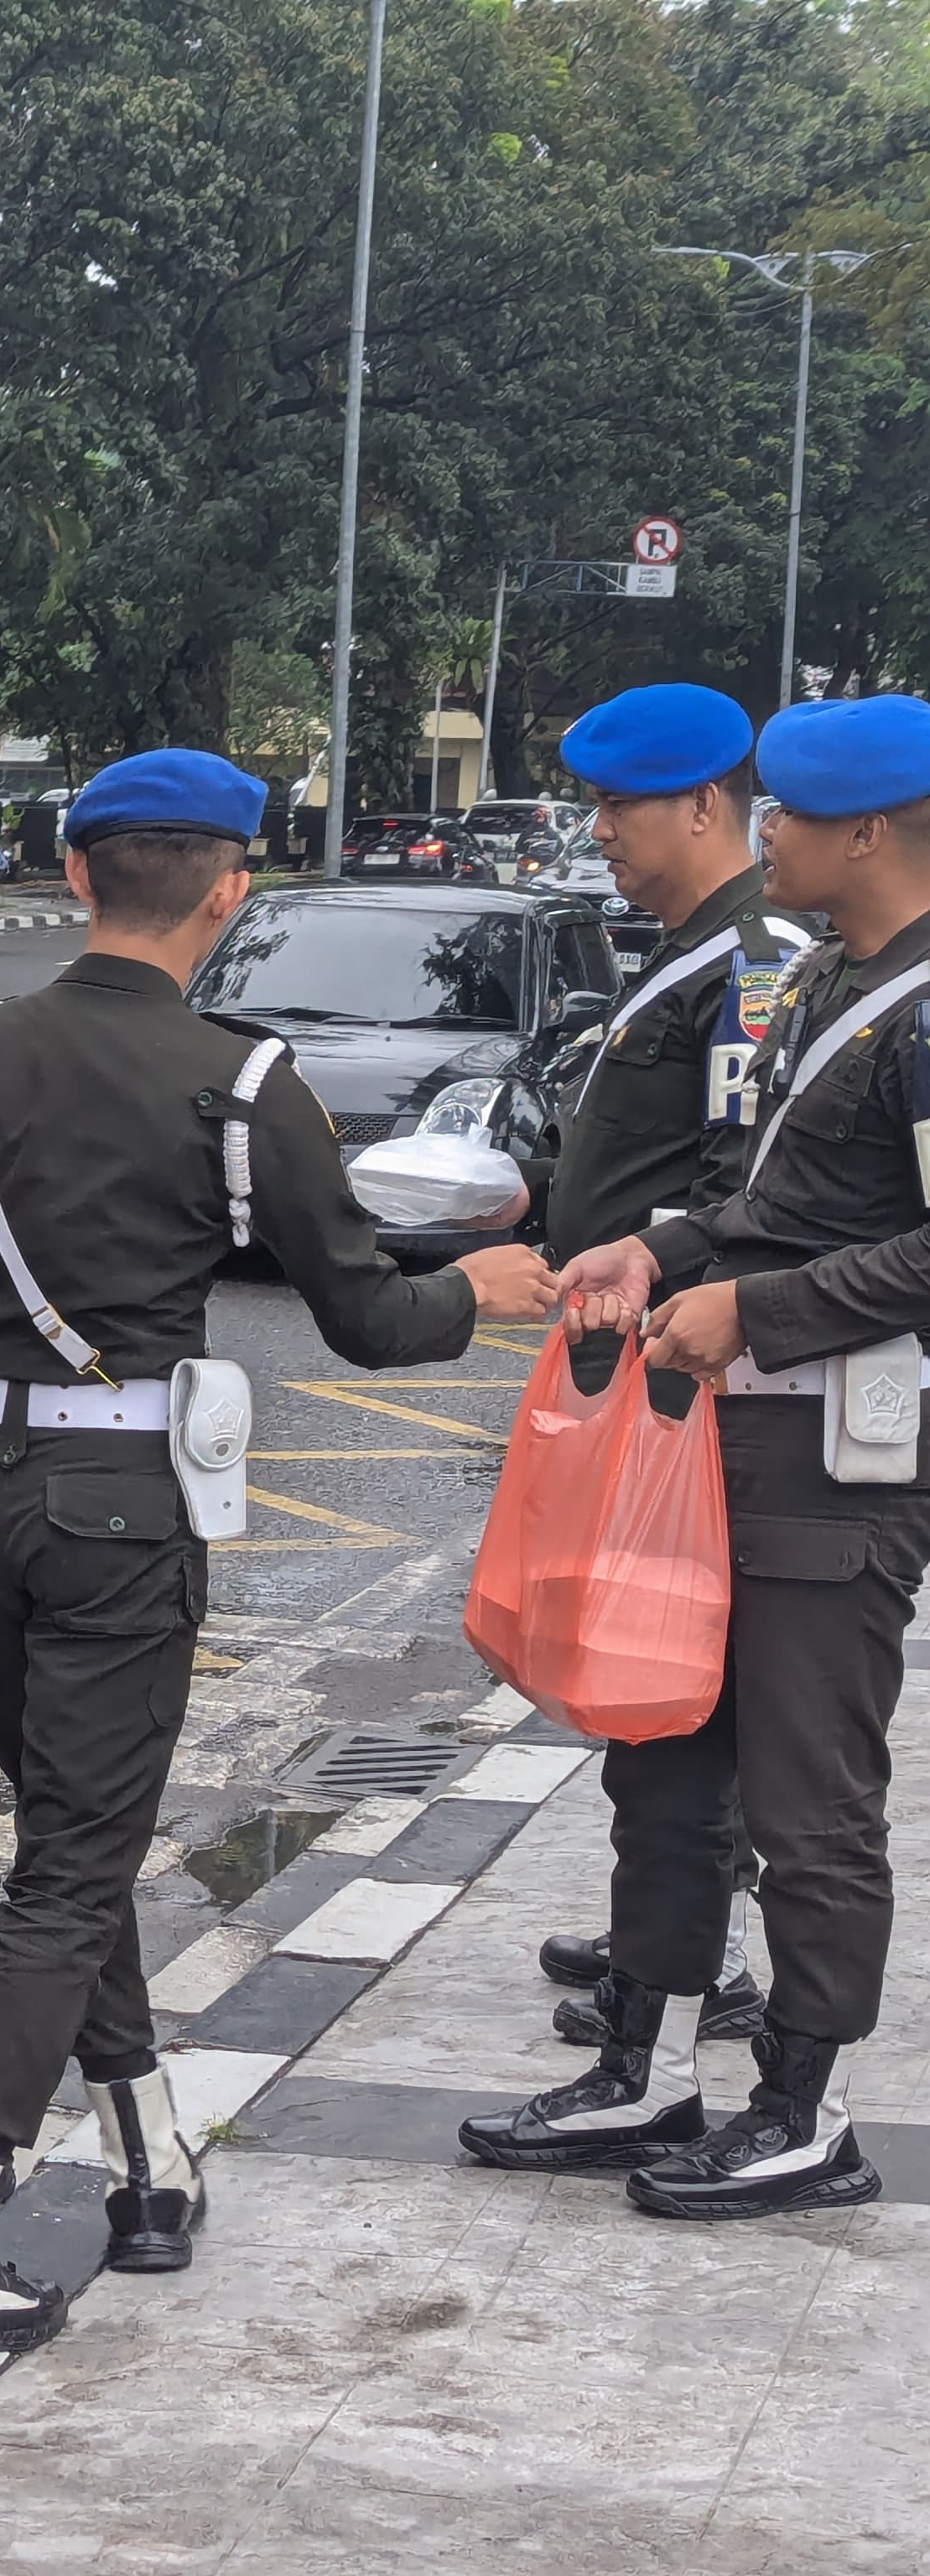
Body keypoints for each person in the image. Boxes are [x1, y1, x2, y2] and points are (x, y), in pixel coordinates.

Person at [0, 747, 558, 2353]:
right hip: (121, 1515)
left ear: (74, 877)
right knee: (74, 1858)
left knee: (67, 1836)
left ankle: (149, 2158)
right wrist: (478, 1293)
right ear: (228, 894)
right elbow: (362, 1312)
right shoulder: (246, 1079)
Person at [500, 693, 930, 2221]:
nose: (774, 841)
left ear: (867, 831)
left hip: (834, 1467)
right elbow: (761, 1195)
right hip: (724, 1434)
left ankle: (803, 2111)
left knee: (812, 1801)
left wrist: (765, 1305)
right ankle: (646, 2065)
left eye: (794, 820)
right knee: (667, 1759)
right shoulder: (825, 978)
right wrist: (661, 1246)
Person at [512, 684, 804, 2056]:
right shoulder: (696, 947)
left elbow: (737, 1180)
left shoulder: (756, 960)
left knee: (675, 1687)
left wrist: (643, 1265)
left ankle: (678, 1971)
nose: (602, 831)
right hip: (647, 1373)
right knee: (657, 1685)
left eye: (623, 805)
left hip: (691, 1388)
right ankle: (669, 1931)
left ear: (707, 806)